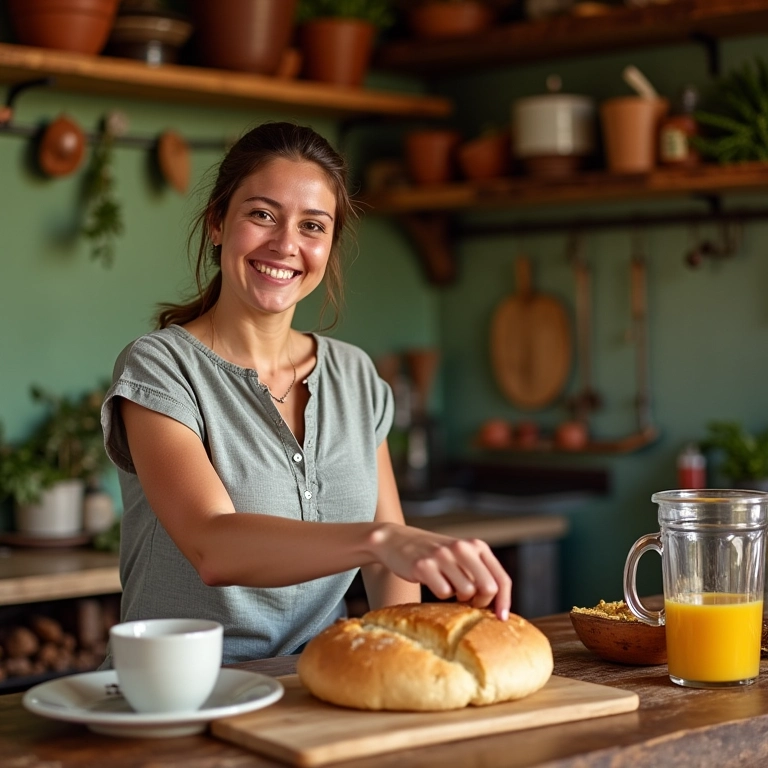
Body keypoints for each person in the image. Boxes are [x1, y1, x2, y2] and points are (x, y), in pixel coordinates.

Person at [101, 121, 512, 664]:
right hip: (183, 692)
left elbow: (389, 572)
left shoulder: (355, 375)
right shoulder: (161, 367)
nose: (286, 244)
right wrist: (382, 539)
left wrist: (397, 664)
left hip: (318, 687)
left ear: (328, 247)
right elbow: (212, 545)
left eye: (313, 226)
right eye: (262, 214)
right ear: (218, 223)